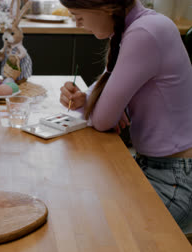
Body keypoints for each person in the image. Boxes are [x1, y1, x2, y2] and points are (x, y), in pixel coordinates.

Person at [59, 0, 192, 232]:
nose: (76, 22)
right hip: (160, 168)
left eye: (78, 14)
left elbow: (102, 120)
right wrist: (86, 101)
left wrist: (104, 106)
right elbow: (102, 98)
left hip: (176, 181)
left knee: (98, 233)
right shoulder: (134, 27)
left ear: (106, 7)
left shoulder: (144, 33)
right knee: (79, 207)